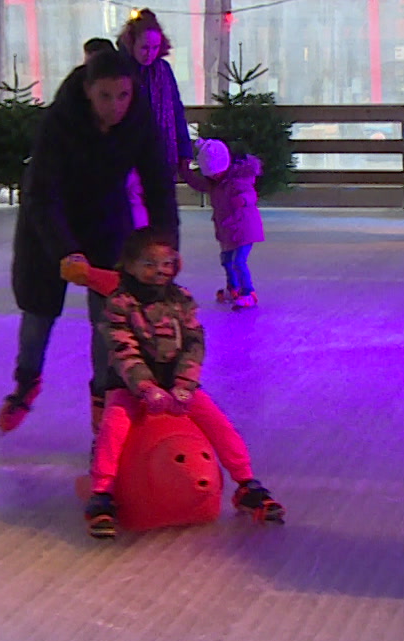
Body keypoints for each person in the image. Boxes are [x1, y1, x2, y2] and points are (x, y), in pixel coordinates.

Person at [0, 50, 178, 435]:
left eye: (123, 95)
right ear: (87, 90)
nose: (116, 106)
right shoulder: (59, 122)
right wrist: (66, 252)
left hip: (106, 223)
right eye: (105, 96)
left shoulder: (139, 119)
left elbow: (159, 184)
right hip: (47, 227)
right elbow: (41, 195)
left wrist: (167, 245)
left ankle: (104, 401)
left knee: (109, 320)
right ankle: (27, 382)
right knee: (38, 313)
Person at [82, 229, 283, 539]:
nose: (160, 270)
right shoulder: (119, 304)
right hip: (128, 385)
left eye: (167, 263)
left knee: (218, 423)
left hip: (176, 384)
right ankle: (102, 493)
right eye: (149, 264)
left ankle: (247, 484)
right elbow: (123, 350)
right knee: (114, 427)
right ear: (130, 265)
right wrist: (145, 387)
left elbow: (193, 342)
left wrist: (185, 383)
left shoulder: (181, 299)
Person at [119, 9, 193, 231]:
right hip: (130, 156)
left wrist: (184, 152)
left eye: (155, 48)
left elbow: (176, 110)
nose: (149, 53)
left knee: (163, 214)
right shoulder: (122, 71)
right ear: (131, 43)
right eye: (144, 47)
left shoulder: (163, 70)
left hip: (164, 153)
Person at [186, 137, 265, 310]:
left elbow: (251, 194)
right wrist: (185, 172)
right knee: (226, 260)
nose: (214, 176)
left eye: (217, 172)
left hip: (244, 229)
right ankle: (233, 288)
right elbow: (198, 184)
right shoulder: (214, 183)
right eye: (210, 174)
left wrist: (242, 200)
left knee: (239, 261)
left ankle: (248, 292)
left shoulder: (238, 180)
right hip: (228, 229)